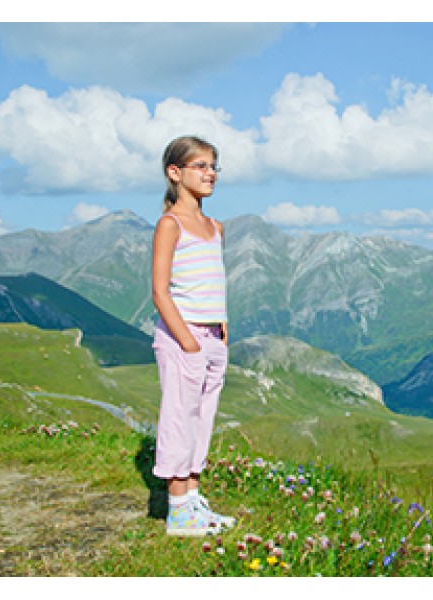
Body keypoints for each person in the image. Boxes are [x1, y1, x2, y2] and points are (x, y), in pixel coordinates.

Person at [150, 135, 235, 536]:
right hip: (184, 337)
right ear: (175, 173)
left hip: (213, 337)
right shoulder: (170, 225)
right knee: (179, 419)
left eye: (214, 165)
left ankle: (194, 498)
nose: (210, 173)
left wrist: (222, 326)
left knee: (202, 418)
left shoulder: (215, 227)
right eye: (200, 166)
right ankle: (177, 509)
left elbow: (211, 282)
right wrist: (187, 341)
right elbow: (160, 291)